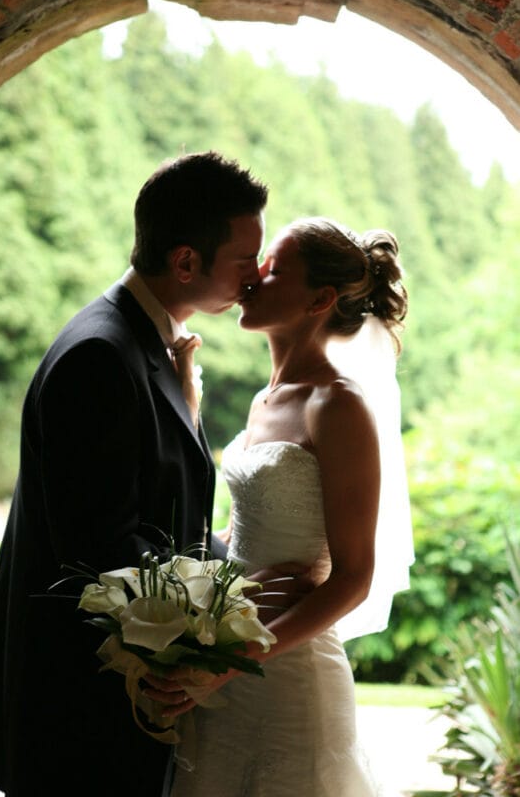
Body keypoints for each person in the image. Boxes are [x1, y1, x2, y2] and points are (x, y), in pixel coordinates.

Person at [0, 151, 271, 797]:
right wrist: (192, 635)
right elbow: (101, 548)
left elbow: (163, 509)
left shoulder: (141, 343)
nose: (257, 275)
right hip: (79, 713)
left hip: (103, 709)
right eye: (245, 260)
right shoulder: (100, 355)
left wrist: (242, 565)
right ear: (186, 261)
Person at [170, 217, 411, 797]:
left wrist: (236, 659)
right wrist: (187, 407)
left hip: (288, 678)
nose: (251, 279)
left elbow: (354, 578)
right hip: (227, 667)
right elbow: (239, 533)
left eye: (273, 270)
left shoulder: (339, 405)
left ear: (320, 299)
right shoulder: (262, 401)